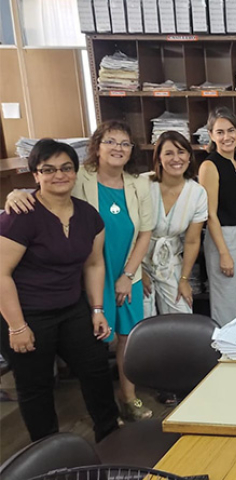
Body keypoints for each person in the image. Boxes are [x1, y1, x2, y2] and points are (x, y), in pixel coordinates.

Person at [6, 120, 154, 421]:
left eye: (125, 143)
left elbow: (143, 234)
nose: (118, 148)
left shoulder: (135, 185)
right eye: (110, 141)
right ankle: (69, 434)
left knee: (116, 346)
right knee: (81, 350)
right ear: (96, 147)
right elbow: (44, 192)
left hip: (119, 274)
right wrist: (13, 194)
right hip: (74, 282)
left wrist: (129, 275)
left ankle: (124, 405)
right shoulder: (75, 178)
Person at [0, 139, 119, 442]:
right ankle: (49, 455)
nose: (59, 175)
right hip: (25, 313)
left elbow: (93, 265)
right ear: (35, 175)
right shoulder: (20, 215)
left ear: (75, 171)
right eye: (48, 169)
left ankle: (111, 439)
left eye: (66, 168)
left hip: (71, 307)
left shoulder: (88, 215)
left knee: (96, 370)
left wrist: (96, 310)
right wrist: (16, 326)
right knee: (37, 386)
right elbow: (1, 273)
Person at [198, 107, 236, 326]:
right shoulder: (209, 166)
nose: (226, 137)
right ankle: (224, 352)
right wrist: (224, 253)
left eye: (230, 131)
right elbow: (210, 214)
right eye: (220, 132)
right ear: (211, 135)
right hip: (223, 236)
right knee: (225, 301)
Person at [142, 131, 208, 319]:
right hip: (137, 261)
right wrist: (136, 272)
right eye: (169, 153)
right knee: (143, 320)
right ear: (159, 157)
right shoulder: (142, 183)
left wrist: (184, 279)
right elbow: (127, 231)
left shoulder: (197, 193)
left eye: (181, 152)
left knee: (182, 317)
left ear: (189, 156)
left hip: (170, 263)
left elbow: (192, 241)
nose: (176, 159)